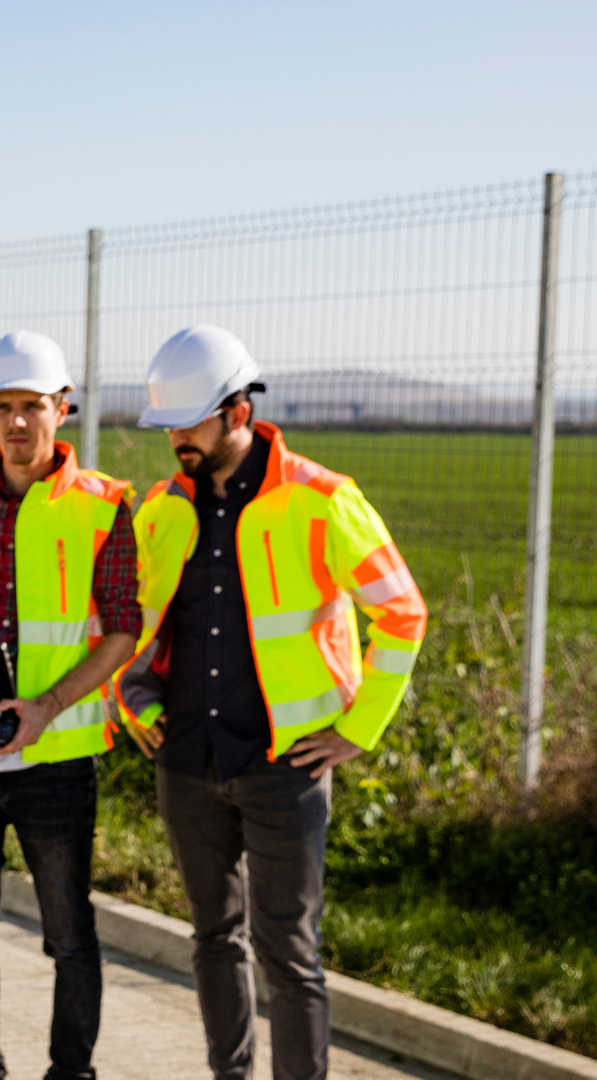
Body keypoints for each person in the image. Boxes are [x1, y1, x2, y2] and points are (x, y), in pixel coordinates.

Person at [113, 326, 427, 1080]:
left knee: (289, 952)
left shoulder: (321, 500)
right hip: (185, 758)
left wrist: (357, 729)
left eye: (189, 423)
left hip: (285, 762)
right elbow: (138, 626)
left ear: (238, 411)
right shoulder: (160, 509)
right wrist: (137, 708)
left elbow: (404, 612)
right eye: (169, 426)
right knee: (212, 937)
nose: (177, 439)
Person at [0, 330, 140, 1080]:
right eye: (3, 406)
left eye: (33, 406)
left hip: (58, 758)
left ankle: (71, 1073)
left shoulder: (104, 507)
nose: (17, 423)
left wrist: (44, 706)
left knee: (69, 935)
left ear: (63, 409)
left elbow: (122, 630)